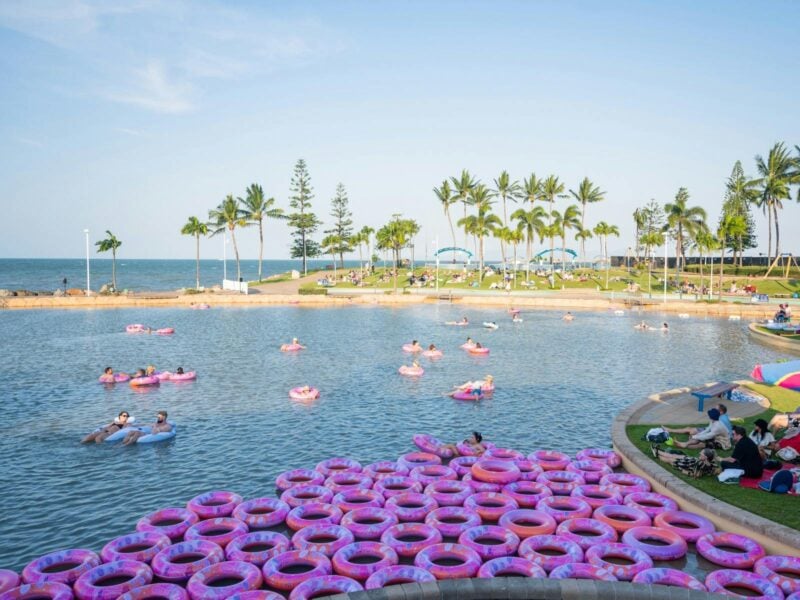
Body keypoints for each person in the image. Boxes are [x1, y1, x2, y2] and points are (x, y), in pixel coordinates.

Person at [662, 408, 731, 450]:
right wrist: (697, 435)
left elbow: (708, 436)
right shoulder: (713, 421)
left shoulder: (717, 427)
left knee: (701, 444)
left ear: (711, 416)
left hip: (723, 442)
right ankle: (684, 444)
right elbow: (707, 430)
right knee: (698, 438)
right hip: (715, 436)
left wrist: (696, 436)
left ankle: (684, 445)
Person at [652, 447, 718, 478]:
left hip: (687, 465)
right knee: (674, 456)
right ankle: (657, 451)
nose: (699, 453)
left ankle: (657, 454)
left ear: (706, 457)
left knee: (671, 460)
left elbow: (696, 475)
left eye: (701, 454)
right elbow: (714, 467)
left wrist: (684, 471)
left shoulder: (700, 464)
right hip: (691, 460)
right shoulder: (710, 462)